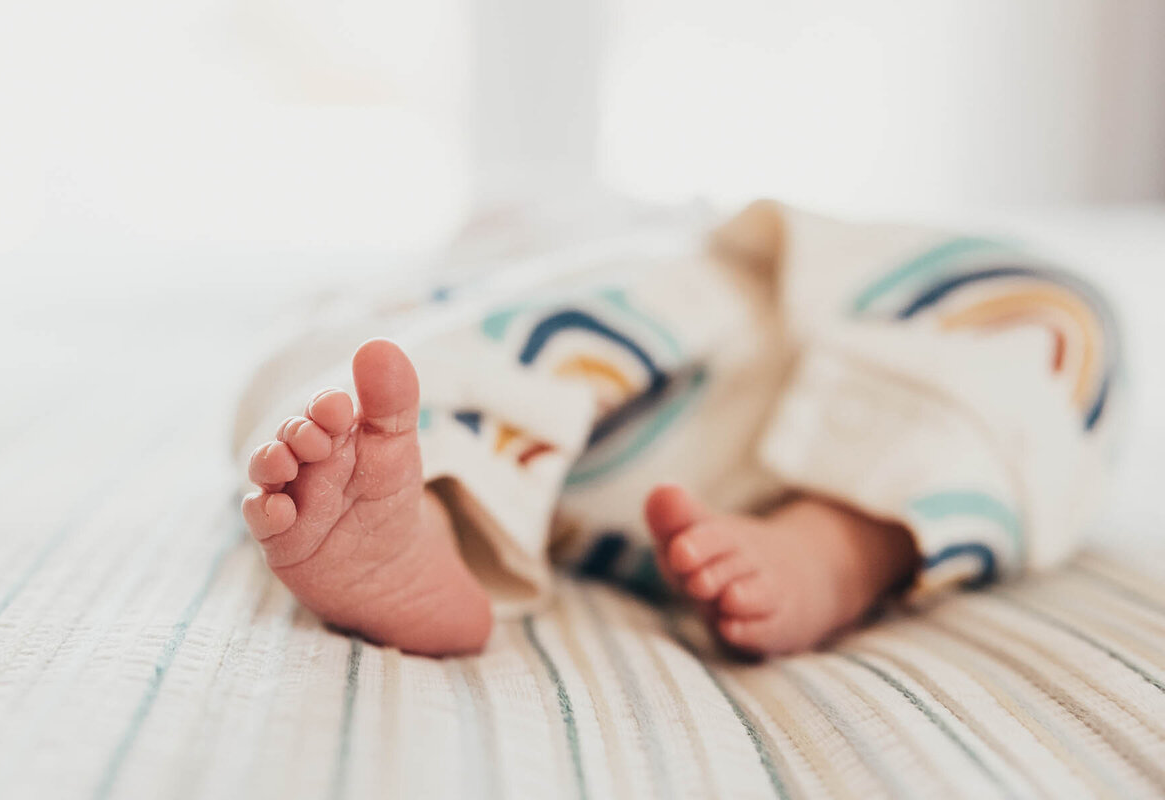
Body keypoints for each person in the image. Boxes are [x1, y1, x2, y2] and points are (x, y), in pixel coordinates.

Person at [235, 201, 1119, 657]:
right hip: (556, 436)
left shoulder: (633, 229)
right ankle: (421, 521)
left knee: (1058, 318)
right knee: (351, 369)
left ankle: (839, 544)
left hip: (793, 379)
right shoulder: (453, 282)